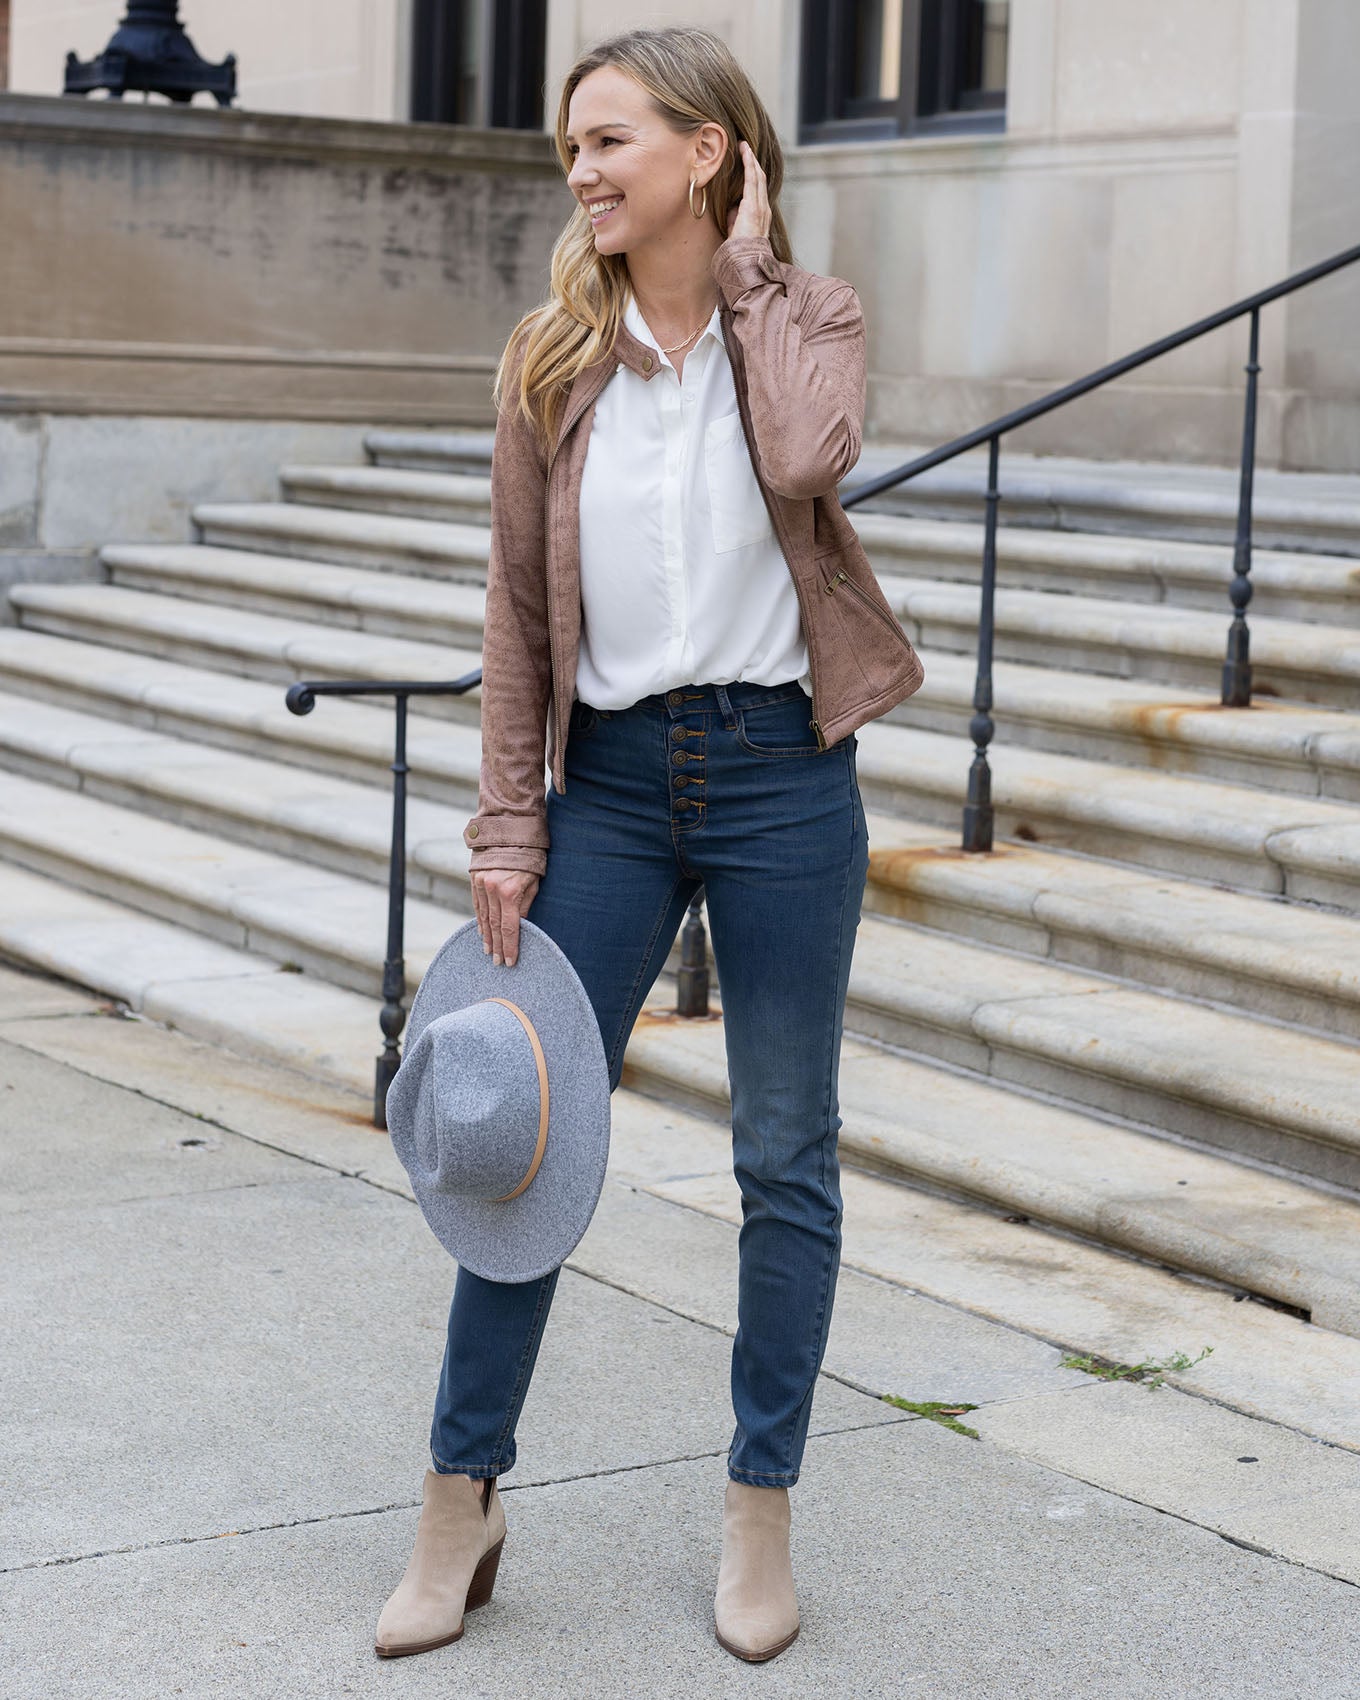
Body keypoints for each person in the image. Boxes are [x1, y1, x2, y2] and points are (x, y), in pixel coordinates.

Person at [375, 24, 924, 1665]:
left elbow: (805, 460)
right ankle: (457, 1506)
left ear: (709, 152)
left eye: (613, 139)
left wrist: (751, 279)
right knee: (521, 1145)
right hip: (609, 781)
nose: (586, 172)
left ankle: (759, 1516)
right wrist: (504, 815)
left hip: (779, 775)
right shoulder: (555, 362)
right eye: (572, 151)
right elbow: (515, 614)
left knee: (783, 1155)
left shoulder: (808, 320)